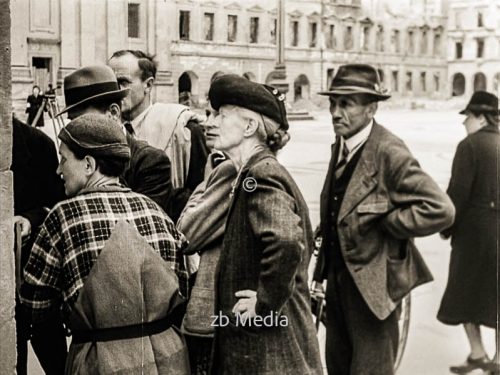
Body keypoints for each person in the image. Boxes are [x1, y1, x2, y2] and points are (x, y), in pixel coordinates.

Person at [19, 113, 190, 374]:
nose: (58, 170)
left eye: (63, 158)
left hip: (98, 363)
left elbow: (37, 309)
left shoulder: (63, 216)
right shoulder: (157, 212)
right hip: (169, 360)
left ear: (88, 164)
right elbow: (182, 289)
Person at [313, 64, 455, 375]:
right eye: (332, 103)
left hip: (373, 289)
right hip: (338, 285)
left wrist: (390, 223)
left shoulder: (389, 151)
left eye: (346, 104)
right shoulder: (342, 145)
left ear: (371, 108)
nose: (336, 112)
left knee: (371, 370)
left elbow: (441, 209)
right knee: (337, 366)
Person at [207, 74, 323, 374]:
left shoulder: (260, 175)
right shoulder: (253, 171)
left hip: (268, 349)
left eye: (222, 115)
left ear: (249, 127)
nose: (212, 122)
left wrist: (263, 305)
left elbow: (285, 240)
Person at [56, 65, 174, 219]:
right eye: (72, 121)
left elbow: (144, 228)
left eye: (83, 120)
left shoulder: (150, 162)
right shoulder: (72, 158)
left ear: (113, 113)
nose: (74, 128)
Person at [437, 91, 500, 374]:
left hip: (475, 234)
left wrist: (446, 227)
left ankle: (477, 352)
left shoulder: (469, 146)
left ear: (479, 117)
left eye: (467, 117)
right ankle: (497, 359)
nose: (464, 123)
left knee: (463, 294)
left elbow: (458, 194)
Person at [108, 50, 209, 221]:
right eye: (111, 83)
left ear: (148, 85)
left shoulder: (184, 129)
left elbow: (201, 194)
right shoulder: (105, 129)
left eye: (123, 82)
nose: (115, 91)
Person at [177, 105, 237, 374]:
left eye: (218, 115)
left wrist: (205, 182)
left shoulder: (228, 172)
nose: (208, 123)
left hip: (213, 319)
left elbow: (186, 234)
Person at [11, 116, 67, 375]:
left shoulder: (37, 144)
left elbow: (55, 207)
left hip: (33, 275)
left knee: (53, 359)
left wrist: (29, 221)